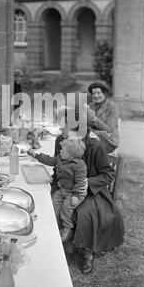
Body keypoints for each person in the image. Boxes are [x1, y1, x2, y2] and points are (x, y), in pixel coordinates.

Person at [50, 108, 124, 274]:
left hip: (89, 189)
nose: (60, 130)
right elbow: (58, 164)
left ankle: (87, 252)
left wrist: (87, 182)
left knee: (86, 212)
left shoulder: (94, 145)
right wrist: (56, 182)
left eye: (64, 126)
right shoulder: (60, 140)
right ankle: (64, 249)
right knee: (52, 204)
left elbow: (108, 174)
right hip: (65, 186)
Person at [29, 138, 88, 243]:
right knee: (54, 204)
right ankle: (54, 225)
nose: (60, 151)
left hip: (75, 193)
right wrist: (36, 155)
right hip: (63, 190)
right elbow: (50, 160)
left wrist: (76, 195)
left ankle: (67, 228)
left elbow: (81, 182)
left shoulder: (79, 165)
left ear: (71, 155)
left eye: (63, 150)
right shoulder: (61, 158)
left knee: (66, 208)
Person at [86, 81, 120, 153]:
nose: (95, 96)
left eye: (98, 93)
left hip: (108, 141)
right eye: (93, 93)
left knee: (87, 146)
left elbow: (109, 129)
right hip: (92, 138)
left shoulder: (113, 107)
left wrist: (94, 119)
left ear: (104, 93)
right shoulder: (90, 106)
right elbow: (85, 126)